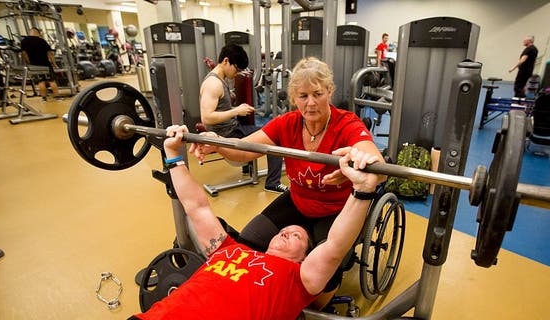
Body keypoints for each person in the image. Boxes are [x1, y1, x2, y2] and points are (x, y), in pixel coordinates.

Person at [129, 125, 382, 320]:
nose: (286, 232)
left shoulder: (300, 279)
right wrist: (173, 155)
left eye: (296, 236)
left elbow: (336, 246)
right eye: (285, 229)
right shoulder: (229, 249)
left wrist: (361, 189)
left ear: (305, 258)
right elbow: (197, 207)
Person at [192, 57, 385, 307]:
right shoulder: (288, 123)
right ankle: (265, 295)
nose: (311, 103)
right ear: (294, 97)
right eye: (303, 96)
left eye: (318, 93)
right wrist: (217, 142)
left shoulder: (346, 124)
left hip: (335, 209)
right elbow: (243, 151)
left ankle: (314, 309)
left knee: (327, 271)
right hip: (298, 200)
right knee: (247, 243)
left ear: (330, 91)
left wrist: (360, 162)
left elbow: (379, 168)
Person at [199, 44, 287, 193]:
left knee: (266, 130)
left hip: (232, 127)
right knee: (274, 138)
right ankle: (272, 183)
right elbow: (206, 118)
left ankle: (248, 168)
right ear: (226, 61)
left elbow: (219, 110)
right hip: (227, 134)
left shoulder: (221, 79)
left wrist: (236, 109)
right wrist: (236, 111)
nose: (237, 73)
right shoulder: (213, 84)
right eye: (236, 69)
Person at [20, 27, 59, 101]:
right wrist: (54, 64)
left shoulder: (24, 41)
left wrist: (29, 62)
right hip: (45, 64)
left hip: (34, 65)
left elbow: (24, 53)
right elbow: (50, 53)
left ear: (30, 32)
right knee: (51, 81)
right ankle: (56, 97)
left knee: (40, 81)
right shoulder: (42, 41)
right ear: (38, 33)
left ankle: (44, 98)